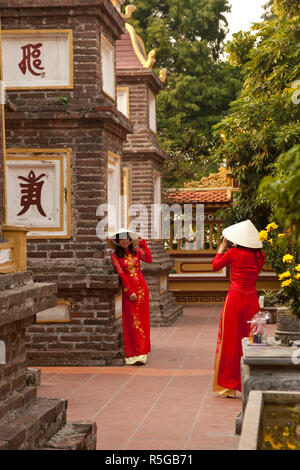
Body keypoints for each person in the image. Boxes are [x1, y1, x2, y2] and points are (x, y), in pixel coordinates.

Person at [212, 220, 265, 398]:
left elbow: (215, 266)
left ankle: (228, 384)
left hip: (234, 300)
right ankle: (251, 380)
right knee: (253, 339)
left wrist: (221, 250)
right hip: (252, 300)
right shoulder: (260, 255)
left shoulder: (233, 253)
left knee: (230, 340)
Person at [108, 229, 152, 366]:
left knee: (143, 321)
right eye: (121, 239)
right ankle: (133, 354)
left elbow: (149, 259)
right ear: (117, 242)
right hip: (130, 293)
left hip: (142, 291)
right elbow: (121, 274)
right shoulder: (115, 256)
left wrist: (142, 242)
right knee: (132, 322)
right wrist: (129, 291)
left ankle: (142, 353)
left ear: (130, 239)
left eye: (126, 238)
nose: (124, 241)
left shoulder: (137, 252)